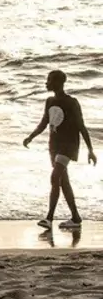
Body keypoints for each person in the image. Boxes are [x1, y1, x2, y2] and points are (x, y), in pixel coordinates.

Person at [25, 69, 95, 232]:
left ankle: (49, 218)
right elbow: (44, 123)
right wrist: (31, 137)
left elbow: (81, 126)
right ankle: (76, 218)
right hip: (54, 145)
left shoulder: (72, 102)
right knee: (63, 182)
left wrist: (90, 150)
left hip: (68, 145)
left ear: (58, 83)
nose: (46, 83)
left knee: (55, 177)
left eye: (49, 80)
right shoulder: (49, 101)